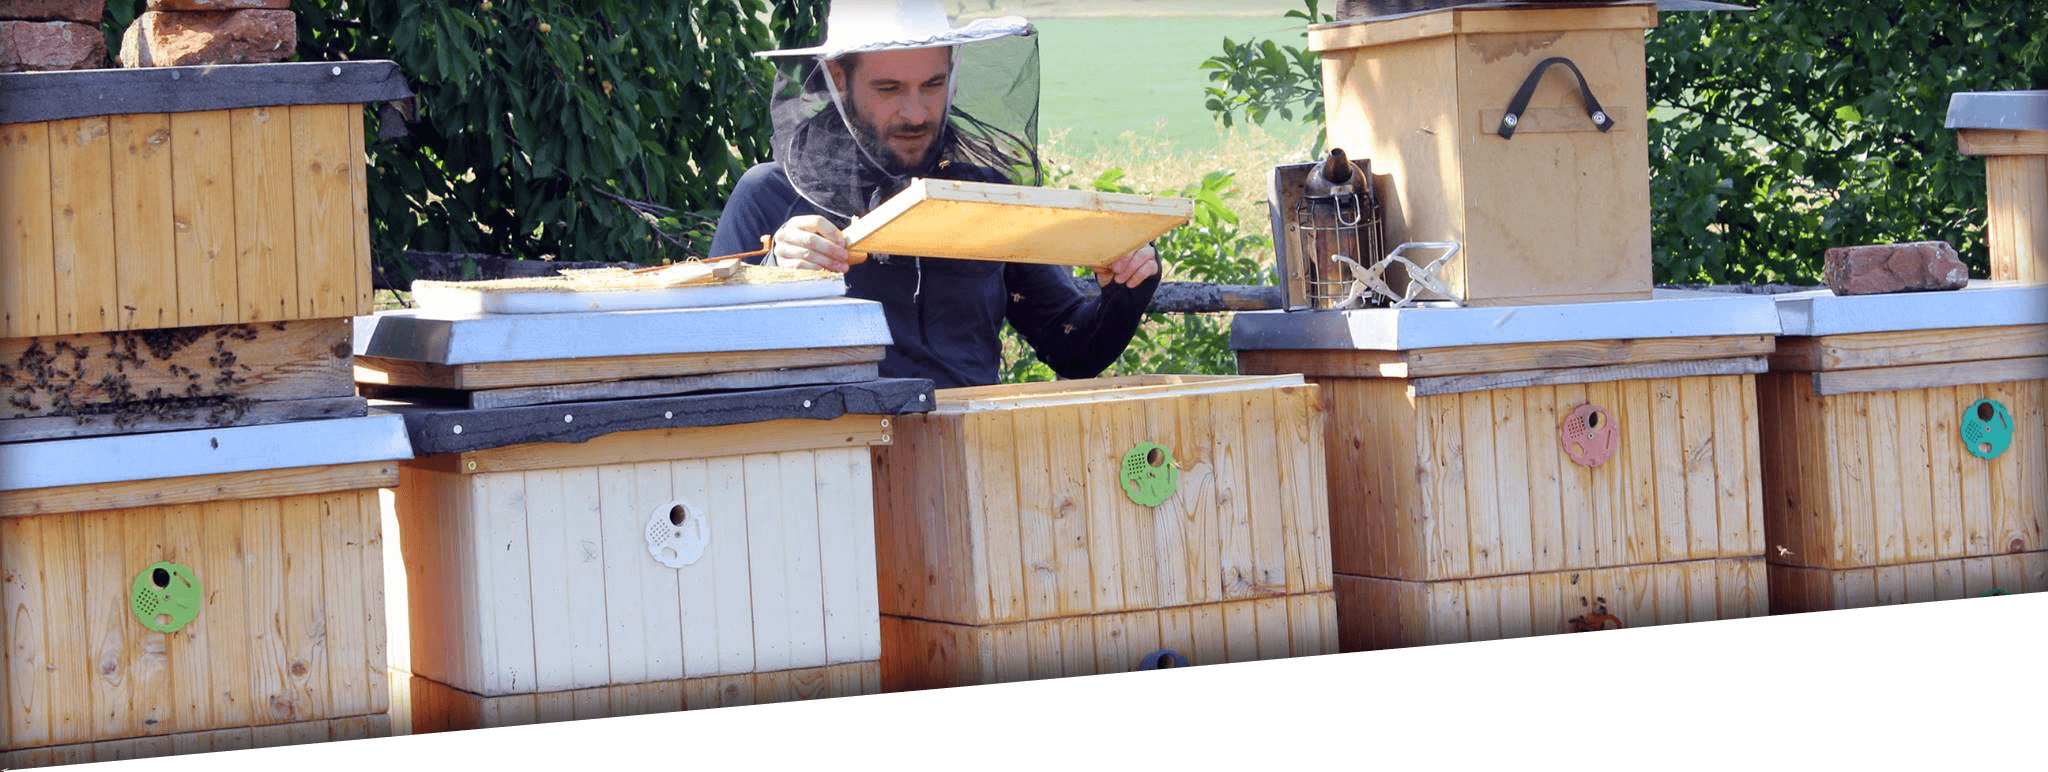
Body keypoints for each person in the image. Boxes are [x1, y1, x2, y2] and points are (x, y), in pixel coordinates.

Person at [711, 0, 1162, 390]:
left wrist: (1127, 287)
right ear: (839, 78)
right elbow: (708, 360)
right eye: (889, 89)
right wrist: (774, 275)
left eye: (933, 84)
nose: (915, 113)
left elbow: (1073, 349)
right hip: (834, 454)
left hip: (971, 449)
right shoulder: (768, 196)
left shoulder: (981, 195)